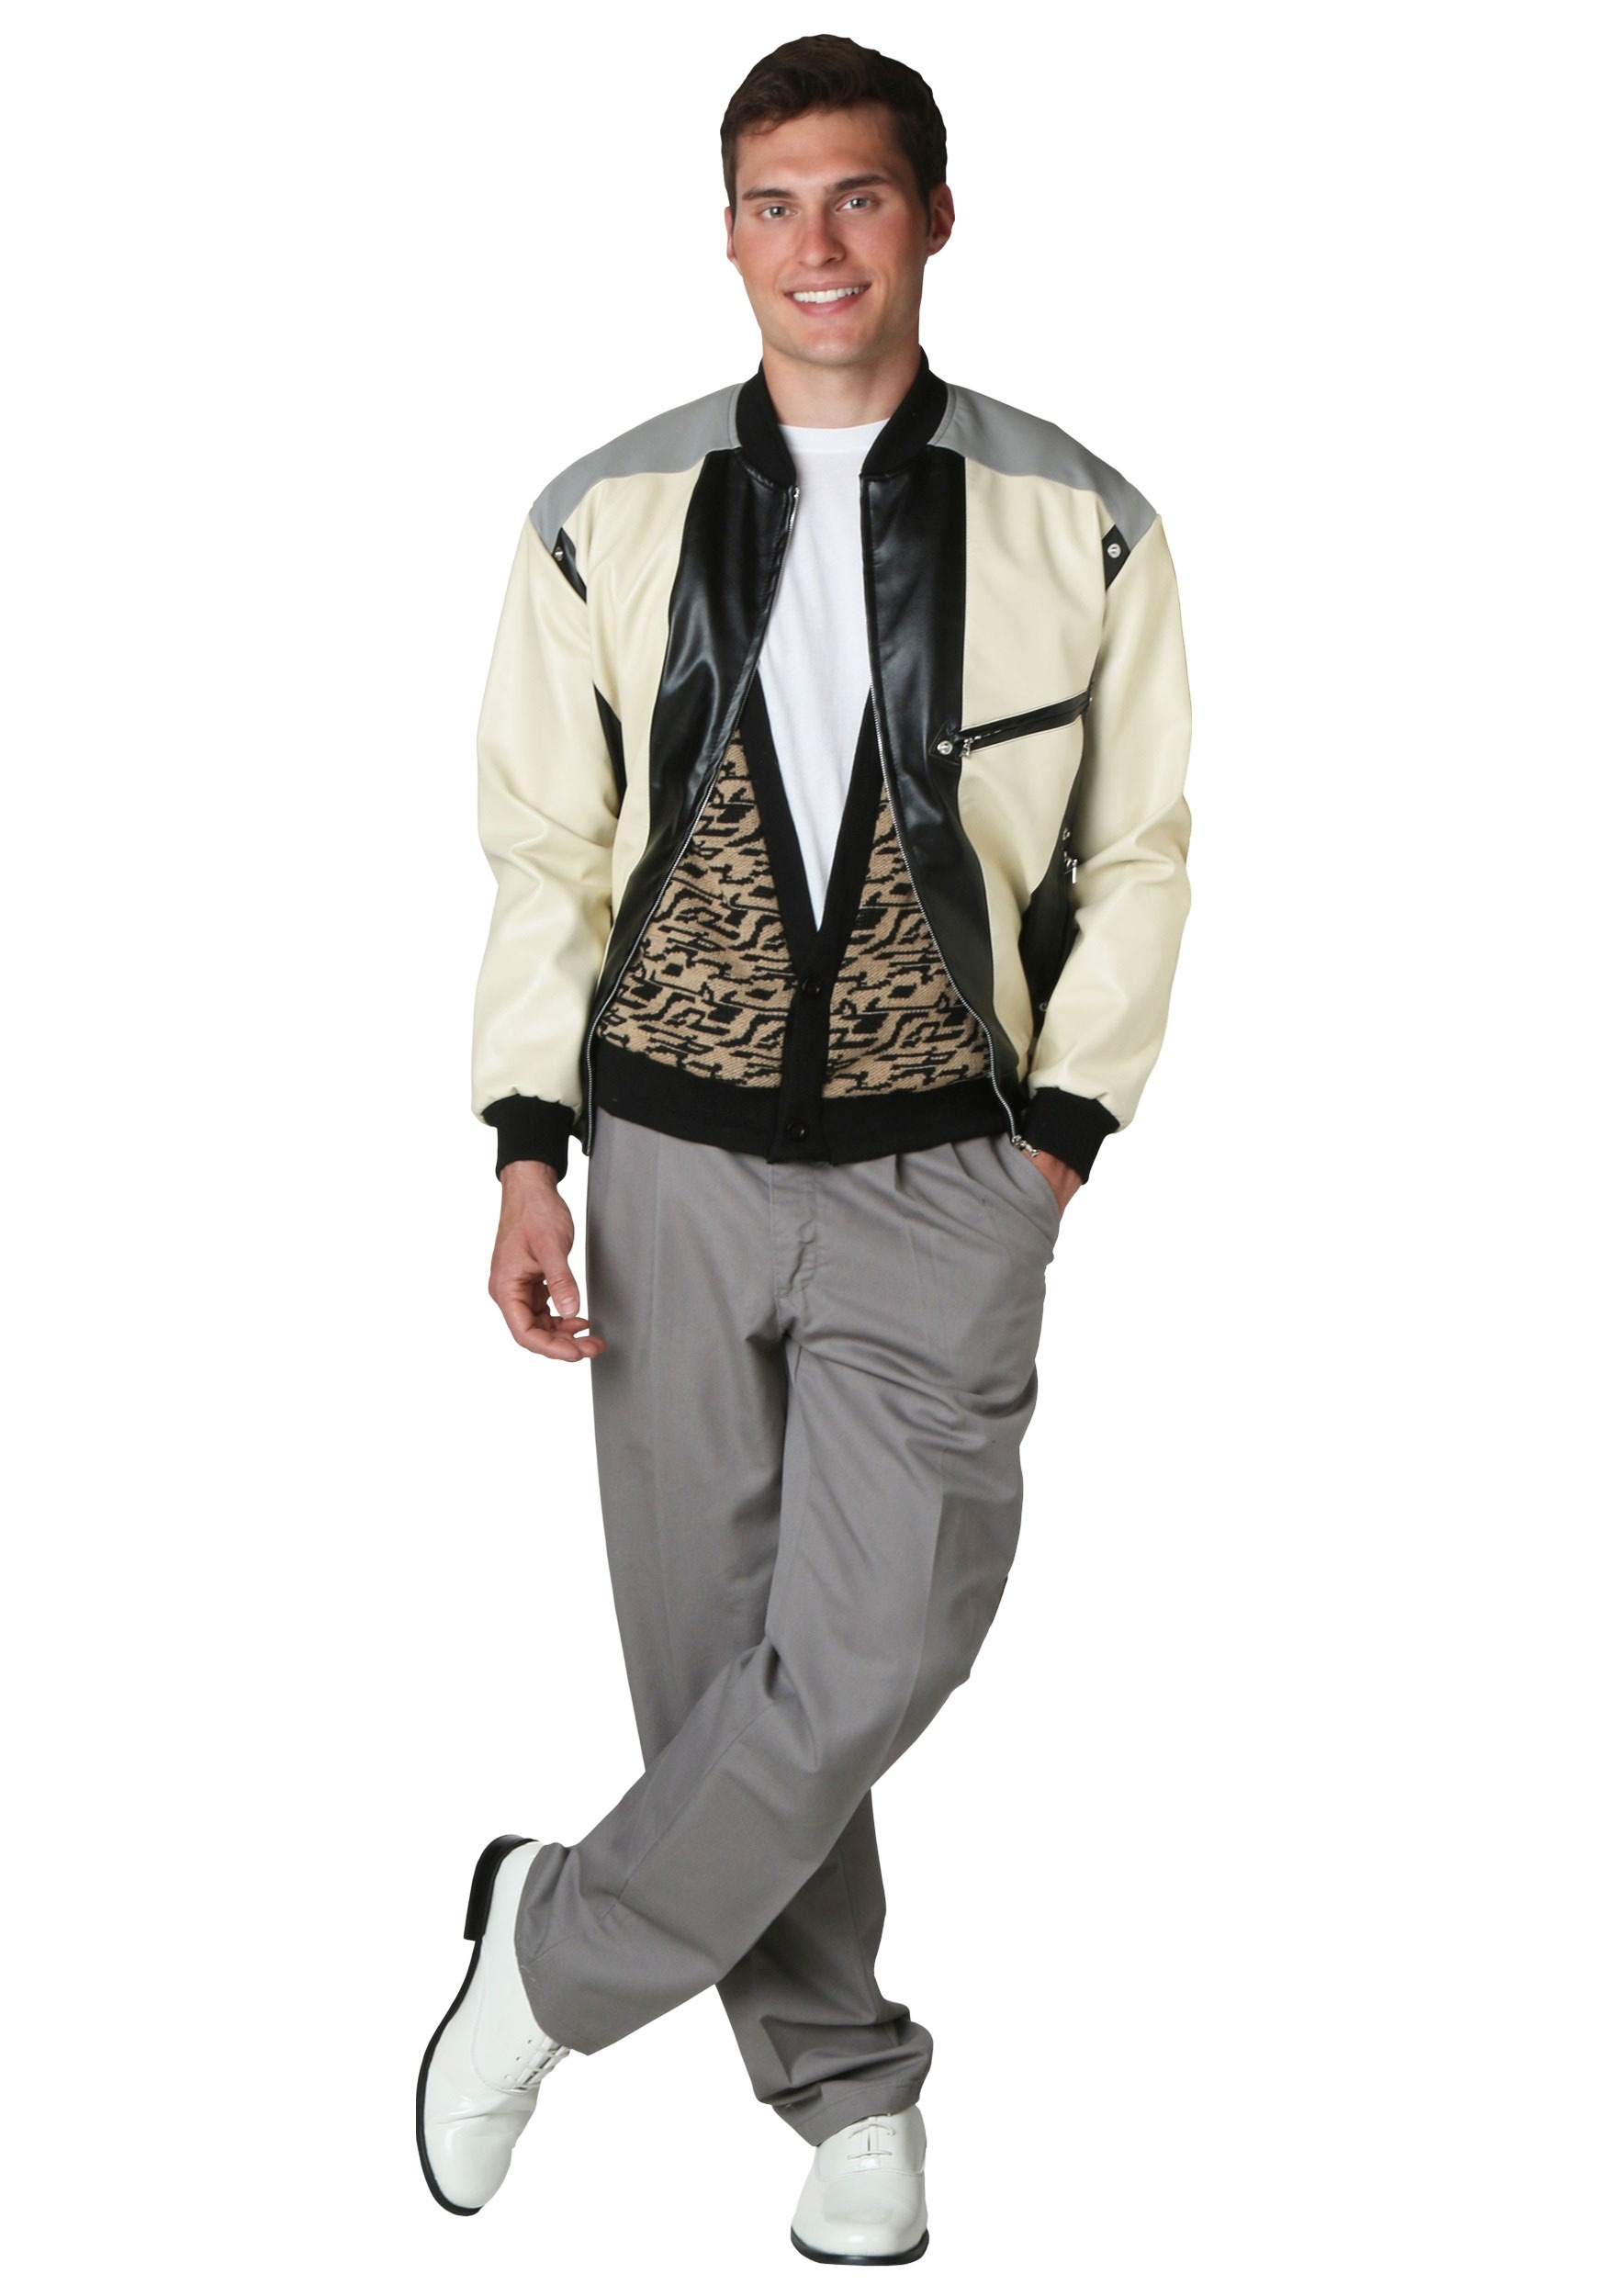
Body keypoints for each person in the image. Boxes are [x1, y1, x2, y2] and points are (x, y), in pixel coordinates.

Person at [417, 31, 1193, 2266]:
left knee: (865, 1649)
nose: (816, 244)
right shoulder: (604, 510)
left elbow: (1139, 849)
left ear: (930, 215)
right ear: (728, 231)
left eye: (857, 195)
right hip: (664, 1155)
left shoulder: (1080, 516)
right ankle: (846, 2089)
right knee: (714, 1660)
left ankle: (548, 1949)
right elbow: (542, 847)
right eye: (773, 202)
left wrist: (1054, 1143)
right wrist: (525, 1145)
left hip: (951, 1166)